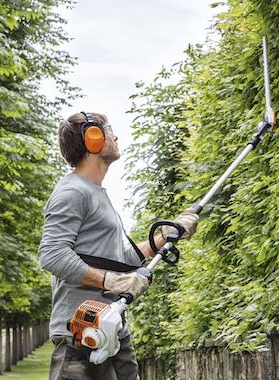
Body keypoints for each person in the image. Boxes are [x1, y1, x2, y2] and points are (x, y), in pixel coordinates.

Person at [38, 112, 198, 380]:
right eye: (108, 130)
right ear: (93, 139)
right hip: (82, 335)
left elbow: (119, 259)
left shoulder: (96, 192)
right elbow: (52, 254)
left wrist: (169, 234)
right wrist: (111, 282)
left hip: (112, 327)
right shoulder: (72, 193)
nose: (115, 135)